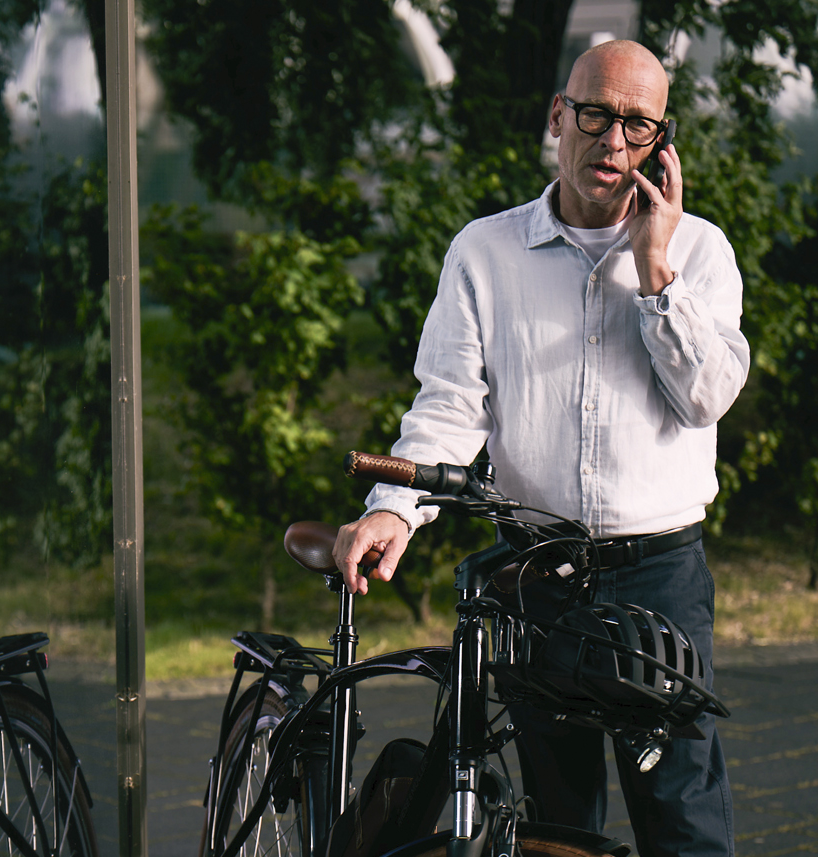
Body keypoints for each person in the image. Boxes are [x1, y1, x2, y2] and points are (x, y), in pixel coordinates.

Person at [331, 39, 747, 857]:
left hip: (658, 578)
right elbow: (450, 406)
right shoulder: (485, 253)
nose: (613, 142)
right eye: (595, 114)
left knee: (684, 819)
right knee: (556, 823)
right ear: (559, 114)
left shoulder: (700, 252)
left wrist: (655, 269)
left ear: (663, 143)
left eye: (638, 125)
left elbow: (704, 397)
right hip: (535, 574)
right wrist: (395, 511)